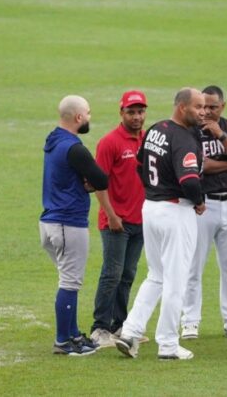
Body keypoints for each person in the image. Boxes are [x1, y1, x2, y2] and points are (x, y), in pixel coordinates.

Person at [115, 88, 206, 361]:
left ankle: (130, 332)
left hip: (151, 208)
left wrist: (155, 189)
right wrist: (199, 201)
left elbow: (140, 165)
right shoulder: (184, 140)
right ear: (182, 108)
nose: (203, 112)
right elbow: (189, 181)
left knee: (156, 275)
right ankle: (168, 344)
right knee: (175, 281)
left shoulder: (156, 129)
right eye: (198, 107)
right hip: (175, 212)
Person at [40, 95, 109, 356]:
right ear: (78, 117)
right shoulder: (75, 148)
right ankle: (63, 341)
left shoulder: (53, 140)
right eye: (88, 113)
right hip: (68, 223)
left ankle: (73, 334)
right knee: (70, 282)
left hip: (49, 221)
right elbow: (102, 180)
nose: (90, 117)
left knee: (69, 280)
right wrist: (89, 182)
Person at [181, 85, 227, 340]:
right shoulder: (191, 131)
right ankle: (190, 321)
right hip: (203, 205)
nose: (207, 112)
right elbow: (201, 166)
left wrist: (222, 137)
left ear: (223, 106)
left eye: (213, 107)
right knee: (194, 266)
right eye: (203, 106)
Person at [89, 90, 147, 348]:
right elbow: (98, 183)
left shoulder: (147, 139)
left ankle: (120, 325)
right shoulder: (109, 142)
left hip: (141, 220)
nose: (136, 117)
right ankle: (99, 327)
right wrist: (111, 215)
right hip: (116, 221)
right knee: (111, 273)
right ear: (121, 113)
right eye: (131, 112)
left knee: (128, 274)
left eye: (140, 112)